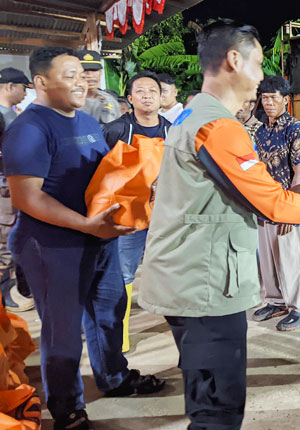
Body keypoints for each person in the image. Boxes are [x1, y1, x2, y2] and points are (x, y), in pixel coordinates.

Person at [137, 20, 300, 429]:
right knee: (218, 411)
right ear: (233, 60)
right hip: (204, 287)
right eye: (258, 64)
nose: (261, 77)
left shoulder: (191, 113)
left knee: (203, 399)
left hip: (184, 278)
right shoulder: (219, 126)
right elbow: (270, 200)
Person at [2, 47, 166, 430]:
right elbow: (29, 197)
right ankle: (67, 407)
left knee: (109, 313)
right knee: (63, 331)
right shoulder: (29, 128)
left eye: (82, 74)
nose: (81, 82)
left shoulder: (85, 121)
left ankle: (114, 377)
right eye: (70, 75)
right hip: (51, 245)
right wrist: (84, 224)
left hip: (98, 238)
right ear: (41, 82)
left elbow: (102, 175)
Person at [102, 70, 170, 352]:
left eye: (152, 91)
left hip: (166, 217)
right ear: (130, 98)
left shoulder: (173, 131)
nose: (147, 96)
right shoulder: (116, 130)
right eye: (140, 91)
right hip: (128, 218)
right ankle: (120, 337)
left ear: (161, 98)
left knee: (172, 272)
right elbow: (100, 174)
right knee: (124, 275)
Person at [251, 76, 300, 330]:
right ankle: (276, 301)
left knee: (290, 256)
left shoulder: (294, 128)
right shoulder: (261, 130)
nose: (268, 102)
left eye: (273, 97)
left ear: (286, 100)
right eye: (264, 98)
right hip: (265, 204)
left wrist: (291, 210)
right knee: (267, 257)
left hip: (286, 204)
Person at [0, 67, 33, 312]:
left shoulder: (11, 115)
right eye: (23, 88)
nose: (24, 93)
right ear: (9, 87)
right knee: (3, 244)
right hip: (5, 191)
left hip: (15, 189)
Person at [76, 50, 120, 125]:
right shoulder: (67, 101)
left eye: (94, 70)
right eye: (84, 70)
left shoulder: (110, 100)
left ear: (100, 72)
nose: (89, 75)